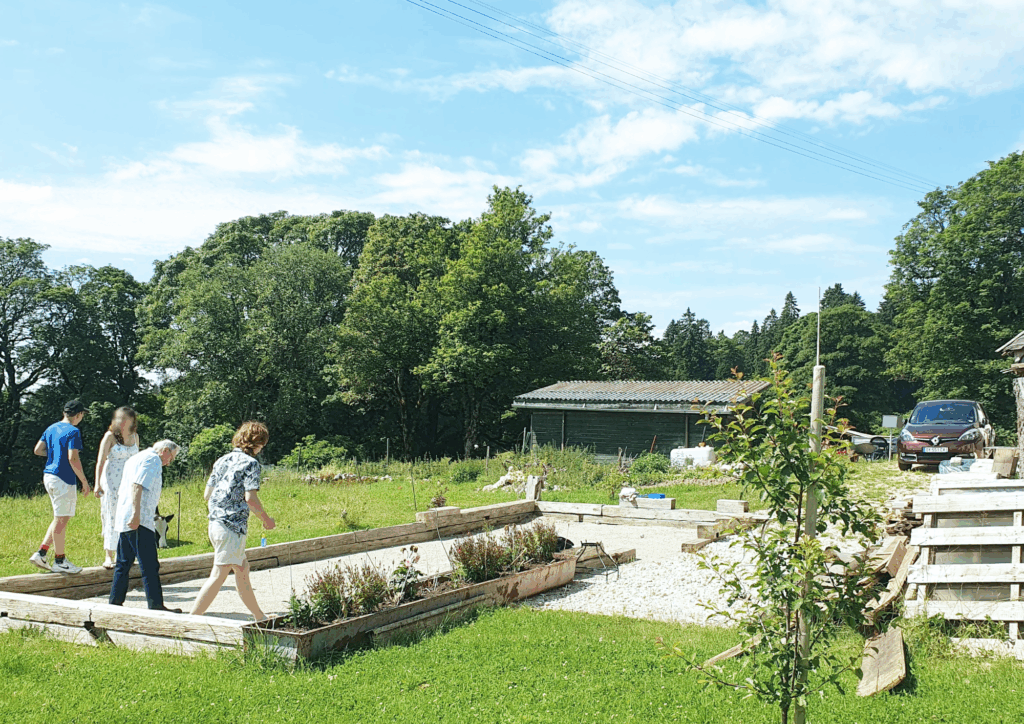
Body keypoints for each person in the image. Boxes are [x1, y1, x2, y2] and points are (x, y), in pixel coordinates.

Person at [190, 421, 276, 621]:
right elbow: (251, 498)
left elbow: (207, 494)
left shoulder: (222, 460)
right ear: (258, 443)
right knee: (218, 575)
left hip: (215, 523)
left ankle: (259, 616)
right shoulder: (251, 464)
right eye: (262, 444)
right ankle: (190, 621)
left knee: (242, 570)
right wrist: (266, 519)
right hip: (232, 526)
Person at [109, 440, 180, 612]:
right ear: (164, 450)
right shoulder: (153, 459)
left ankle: (115, 603)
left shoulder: (136, 457)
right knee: (149, 564)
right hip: (139, 519)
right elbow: (137, 485)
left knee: (123, 563)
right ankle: (156, 605)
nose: (169, 462)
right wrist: (136, 514)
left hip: (124, 517)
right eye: (171, 457)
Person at [30, 400, 92, 574]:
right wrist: (85, 481)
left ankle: (41, 553)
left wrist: (54, 454)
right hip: (63, 477)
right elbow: (73, 458)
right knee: (62, 519)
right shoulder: (73, 431)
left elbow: (37, 450)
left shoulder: (51, 428)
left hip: (48, 475)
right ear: (78, 415)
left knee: (59, 517)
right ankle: (60, 560)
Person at [94, 407, 140, 569]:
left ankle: (127, 554)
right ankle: (109, 555)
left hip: (129, 480)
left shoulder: (135, 437)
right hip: (112, 479)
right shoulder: (109, 436)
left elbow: (138, 460)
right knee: (111, 514)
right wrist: (97, 483)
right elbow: (100, 461)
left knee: (129, 515)